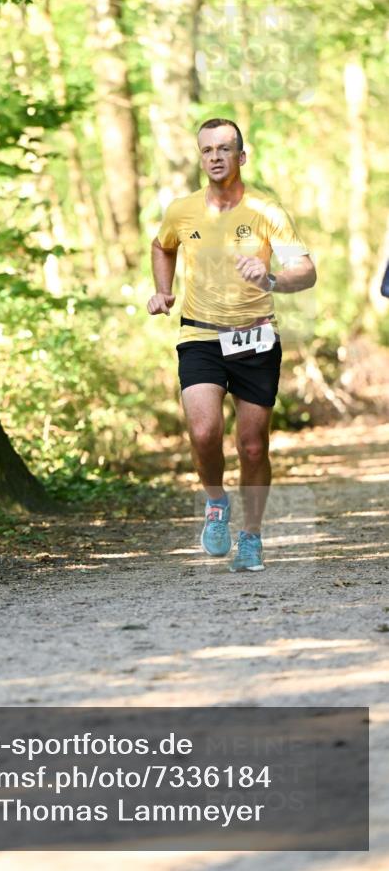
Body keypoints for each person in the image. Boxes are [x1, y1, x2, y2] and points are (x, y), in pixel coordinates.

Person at [147, 118, 316, 572]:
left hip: (255, 335)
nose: (216, 157)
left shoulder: (266, 210)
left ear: (242, 156)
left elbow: (306, 270)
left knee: (253, 445)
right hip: (199, 333)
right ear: (200, 158)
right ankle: (216, 503)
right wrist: (163, 290)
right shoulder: (182, 210)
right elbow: (162, 247)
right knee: (204, 433)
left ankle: (253, 536)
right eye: (207, 150)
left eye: (225, 149)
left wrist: (273, 277)